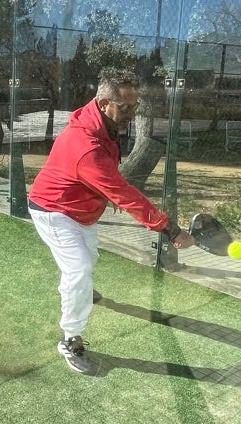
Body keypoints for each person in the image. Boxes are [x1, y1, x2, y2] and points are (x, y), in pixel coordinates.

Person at [27, 67, 194, 374]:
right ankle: (70, 339)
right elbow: (126, 194)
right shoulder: (85, 145)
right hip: (54, 210)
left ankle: (79, 290)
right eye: (126, 107)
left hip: (82, 208)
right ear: (104, 103)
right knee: (78, 268)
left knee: (86, 262)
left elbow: (110, 178)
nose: (131, 113)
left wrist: (107, 191)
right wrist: (171, 230)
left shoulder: (102, 123)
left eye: (135, 107)